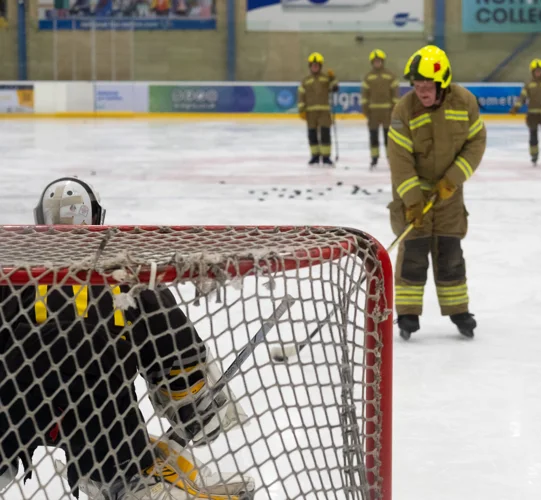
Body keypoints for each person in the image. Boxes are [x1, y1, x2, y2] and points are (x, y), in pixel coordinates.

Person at [0, 178, 253, 500]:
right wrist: (195, 406)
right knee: (124, 467)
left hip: (12, 402)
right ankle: (131, 480)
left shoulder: (11, 272)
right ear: (97, 216)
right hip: (102, 410)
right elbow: (177, 348)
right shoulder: (129, 275)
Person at [386, 45, 486, 341]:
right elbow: (399, 160)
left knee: (450, 253)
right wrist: (413, 201)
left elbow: (476, 142)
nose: (422, 92)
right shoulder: (403, 110)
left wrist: (452, 180)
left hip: (449, 196)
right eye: (417, 86)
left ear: (442, 84)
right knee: (413, 253)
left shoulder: (464, 102)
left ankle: (459, 311)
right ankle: (407, 314)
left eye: (427, 87)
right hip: (412, 195)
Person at [298, 52, 339, 167]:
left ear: (320, 66)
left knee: (325, 133)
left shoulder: (326, 78)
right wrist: (302, 109)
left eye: (317, 65)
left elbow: (335, 88)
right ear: (310, 66)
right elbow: (301, 95)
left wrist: (333, 78)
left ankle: (326, 157)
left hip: (324, 112)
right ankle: (315, 156)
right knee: (312, 134)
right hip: (310, 112)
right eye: (313, 65)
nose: (315, 67)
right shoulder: (305, 81)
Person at [361, 49, 400, 168]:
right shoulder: (368, 77)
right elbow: (365, 96)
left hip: (388, 112)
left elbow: (395, 94)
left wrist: (395, 110)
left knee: (388, 137)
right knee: (373, 136)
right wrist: (366, 111)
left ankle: (390, 158)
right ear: (372, 62)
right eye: (375, 61)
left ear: (383, 61)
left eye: (379, 61)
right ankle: (374, 158)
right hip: (373, 113)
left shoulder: (390, 76)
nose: (377, 63)